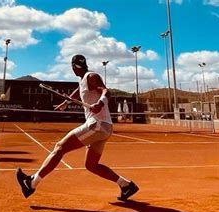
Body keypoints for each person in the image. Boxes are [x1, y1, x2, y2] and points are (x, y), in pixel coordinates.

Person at [16, 54, 139, 201]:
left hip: (97, 125)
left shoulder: (91, 76)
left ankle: (32, 183)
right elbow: (77, 93)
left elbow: (107, 92)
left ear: (73, 67)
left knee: (60, 147)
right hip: (105, 128)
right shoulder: (82, 80)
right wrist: (66, 103)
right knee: (91, 165)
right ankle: (126, 185)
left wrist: (100, 103)